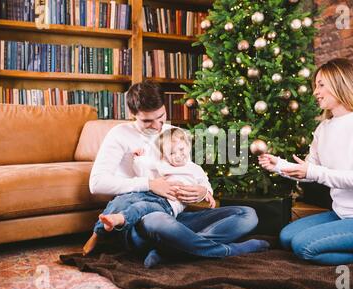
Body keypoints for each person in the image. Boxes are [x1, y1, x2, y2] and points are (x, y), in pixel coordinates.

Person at [84, 80, 269, 268]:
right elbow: (97, 183)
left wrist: (203, 191)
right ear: (132, 114)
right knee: (159, 222)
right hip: (142, 217)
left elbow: (191, 171)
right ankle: (228, 250)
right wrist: (149, 184)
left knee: (247, 214)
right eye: (147, 121)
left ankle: (170, 252)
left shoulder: (174, 133)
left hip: (175, 214)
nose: (157, 126)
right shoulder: (119, 134)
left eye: (161, 117)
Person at [258, 58, 353, 265]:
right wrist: (278, 165)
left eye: (321, 85)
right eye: (315, 85)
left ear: (341, 83)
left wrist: (311, 172)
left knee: (304, 247)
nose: (316, 91)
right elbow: (310, 169)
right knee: (287, 237)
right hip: (343, 215)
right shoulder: (323, 128)